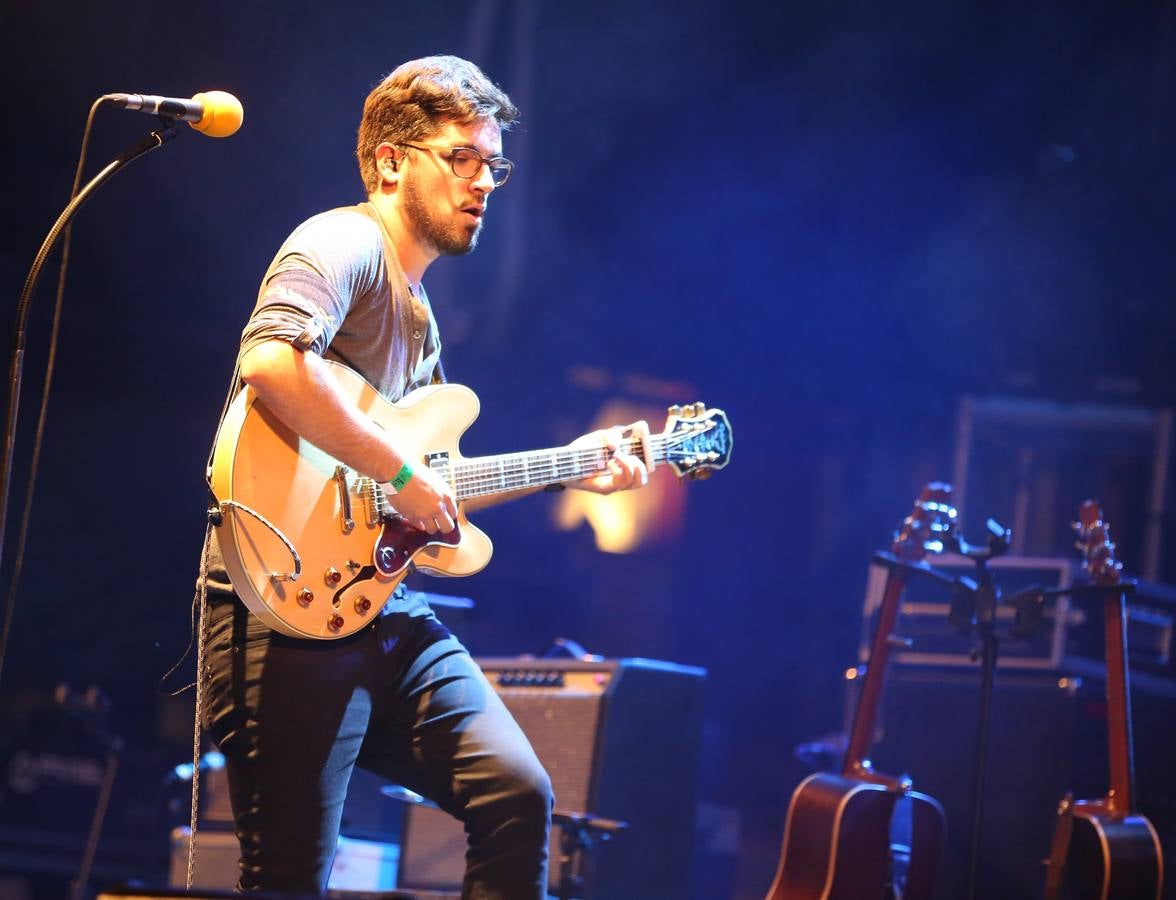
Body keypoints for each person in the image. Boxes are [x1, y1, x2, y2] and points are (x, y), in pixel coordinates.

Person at [199, 55, 648, 898]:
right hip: (281, 609)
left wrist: (573, 474)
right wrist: (401, 471)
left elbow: (427, 489)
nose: (484, 182)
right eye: (462, 158)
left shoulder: (421, 317)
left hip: (381, 608)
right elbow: (270, 360)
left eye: (494, 165)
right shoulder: (342, 241)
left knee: (518, 793)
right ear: (392, 161)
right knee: (288, 878)